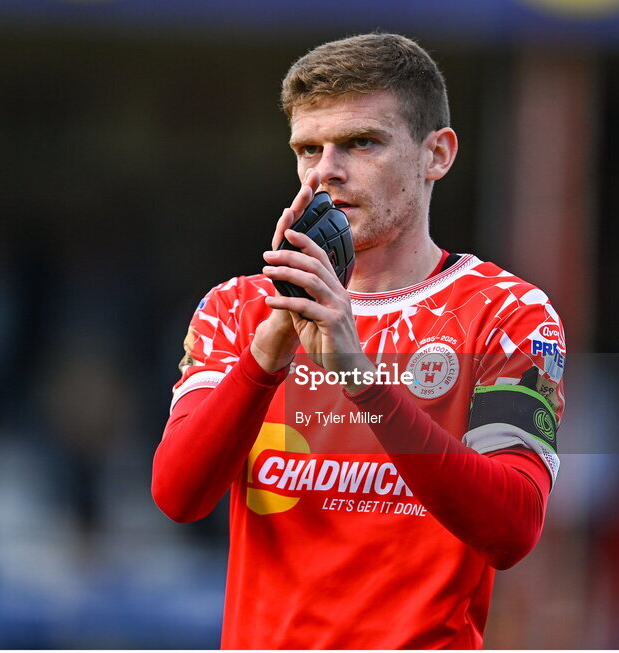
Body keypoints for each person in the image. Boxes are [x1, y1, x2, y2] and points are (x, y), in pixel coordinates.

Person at [152, 33, 566, 650]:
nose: (326, 170)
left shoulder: (504, 313)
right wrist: (267, 353)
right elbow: (179, 497)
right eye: (308, 148)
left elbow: (513, 529)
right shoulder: (236, 310)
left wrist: (365, 383)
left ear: (437, 155)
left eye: (361, 142)